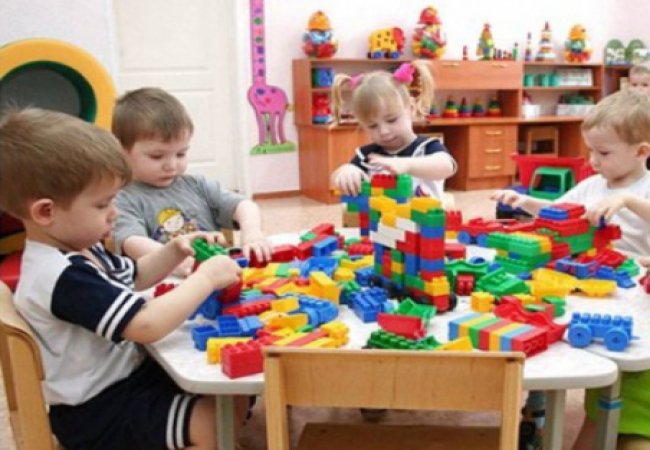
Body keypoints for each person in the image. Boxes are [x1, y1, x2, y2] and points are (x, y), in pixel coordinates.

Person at [0, 108, 248, 450]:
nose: (114, 213)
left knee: (232, 392)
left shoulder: (81, 248)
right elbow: (145, 325)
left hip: (127, 378)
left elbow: (137, 275)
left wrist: (175, 250)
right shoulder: (61, 276)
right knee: (216, 424)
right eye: (102, 204)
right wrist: (205, 279)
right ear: (46, 212)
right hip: (100, 411)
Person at [493, 89, 650, 450]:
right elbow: (558, 212)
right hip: (584, 279)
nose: (593, 161)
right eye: (591, 151)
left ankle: (617, 412)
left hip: (631, 288)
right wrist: (525, 201)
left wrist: (627, 200)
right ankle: (538, 404)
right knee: (550, 329)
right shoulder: (592, 185)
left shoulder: (643, 188)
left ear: (641, 151)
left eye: (604, 153)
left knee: (626, 354)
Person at [112, 87, 272, 276]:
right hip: (167, 284)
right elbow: (132, 241)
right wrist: (174, 260)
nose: (172, 165)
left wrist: (252, 232)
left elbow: (244, 205)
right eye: (157, 156)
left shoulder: (197, 186)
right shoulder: (121, 199)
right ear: (122, 151)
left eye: (181, 154)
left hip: (217, 278)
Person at [329, 60, 457, 199]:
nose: (383, 131)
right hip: (379, 214)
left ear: (411, 109)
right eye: (372, 126)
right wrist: (346, 171)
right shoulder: (367, 155)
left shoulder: (426, 148)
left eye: (392, 120)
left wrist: (406, 164)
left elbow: (447, 167)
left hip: (423, 214)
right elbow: (334, 180)